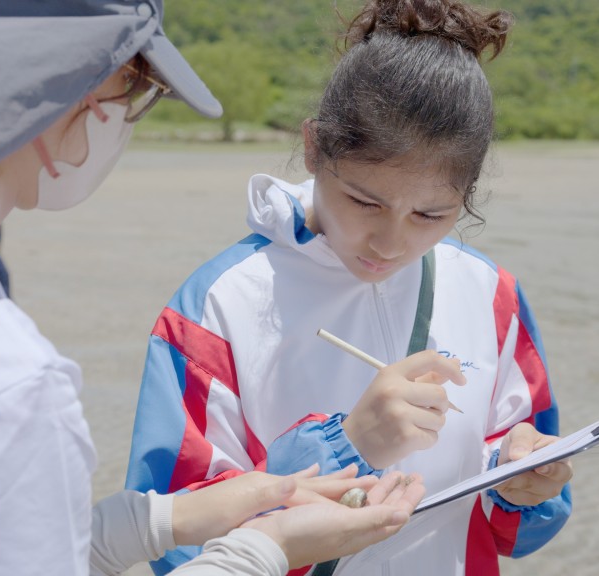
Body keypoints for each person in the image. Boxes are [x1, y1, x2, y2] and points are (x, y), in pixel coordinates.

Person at [0, 1, 427, 575]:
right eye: (135, 85)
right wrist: (272, 546)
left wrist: (166, 522)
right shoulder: (2, 382)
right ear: (65, 92)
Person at [125, 0, 574, 574]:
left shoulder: (491, 293)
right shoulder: (217, 305)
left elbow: (515, 518)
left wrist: (521, 480)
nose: (389, 242)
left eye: (431, 215)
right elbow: (172, 535)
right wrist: (350, 444)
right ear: (313, 147)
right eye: (365, 201)